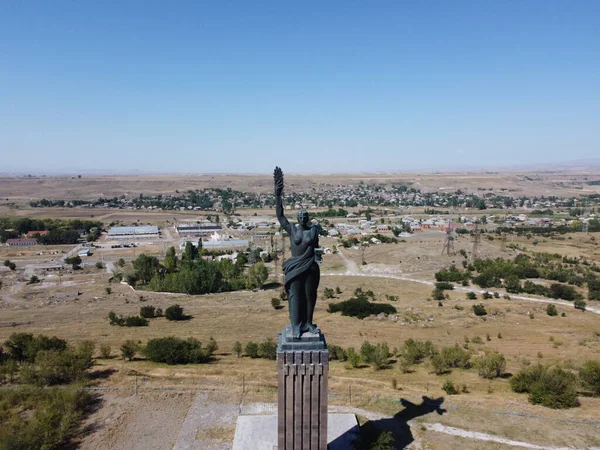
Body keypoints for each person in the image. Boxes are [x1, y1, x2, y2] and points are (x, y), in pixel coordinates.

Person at [274, 166, 321, 339]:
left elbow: (318, 248)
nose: (302, 217)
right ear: (297, 218)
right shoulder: (292, 230)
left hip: (310, 268)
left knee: (310, 296)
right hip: (295, 267)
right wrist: (278, 194)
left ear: (308, 218)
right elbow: (280, 216)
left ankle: (308, 323)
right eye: (300, 215)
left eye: (305, 215)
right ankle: (295, 326)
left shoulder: (314, 230)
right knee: (295, 295)